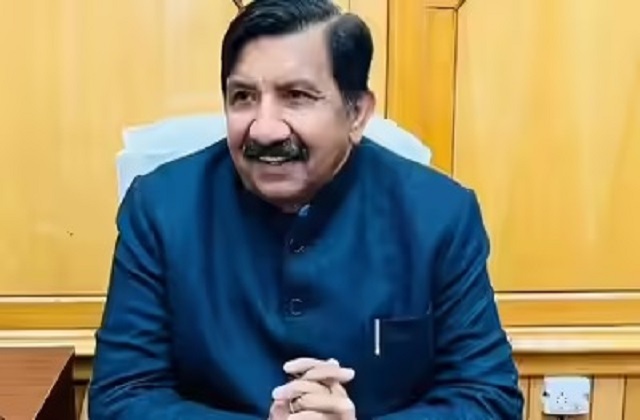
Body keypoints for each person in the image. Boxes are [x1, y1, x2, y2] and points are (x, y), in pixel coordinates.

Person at [89, 0, 523, 419]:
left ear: (357, 113)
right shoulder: (161, 209)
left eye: (296, 95)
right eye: (243, 96)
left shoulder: (440, 214)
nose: (265, 129)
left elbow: (489, 398)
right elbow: (120, 398)